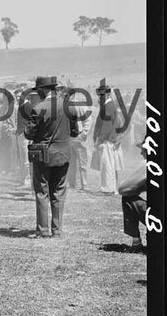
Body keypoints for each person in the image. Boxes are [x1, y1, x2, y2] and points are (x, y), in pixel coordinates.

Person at [24, 75, 80, 238]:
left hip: (43, 155)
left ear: (43, 89)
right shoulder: (68, 106)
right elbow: (75, 132)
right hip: (63, 154)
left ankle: (42, 230)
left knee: (42, 192)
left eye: (38, 90)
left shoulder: (39, 108)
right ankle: (57, 230)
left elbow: (29, 133)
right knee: (59, 192)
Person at [92, 78, 125, 194]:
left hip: (106, 140)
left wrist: (99, 140)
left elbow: (106, 127)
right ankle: (108, 187)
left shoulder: (108, 106)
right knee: (108, 165)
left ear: (107, 94)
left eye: (102, 94)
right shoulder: (109, 105)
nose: (100, 96)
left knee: (107, 165)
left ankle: (108, 188)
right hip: (109, 140)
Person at [117, 143, 148, 251]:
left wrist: (141, 187)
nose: (141, 152)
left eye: (143, 150)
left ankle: (136, 242)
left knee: (128, 198)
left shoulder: (148, 164)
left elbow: (123, 189)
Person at [67, 90, 92, 190]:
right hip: (69, 138)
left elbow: (88, 119)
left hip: (79, 137)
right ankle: (72, 184)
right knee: (71, 162)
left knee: (82, 162)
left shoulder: (80, 105)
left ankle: (84, 185)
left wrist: (84, 133)